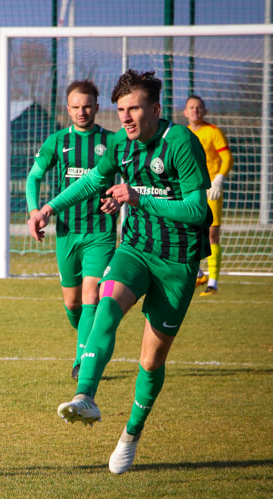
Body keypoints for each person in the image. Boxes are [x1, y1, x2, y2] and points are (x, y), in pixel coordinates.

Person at [28, 70, 211, 474]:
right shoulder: (119, 145)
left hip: (178, 262)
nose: (125, 117)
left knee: (150, 361)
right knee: (105, 304)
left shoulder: (179, 142)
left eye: (134, 108)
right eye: (120, 110)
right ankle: (85, 395)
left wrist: (139, 195)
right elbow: (93, 181)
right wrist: (48, 209)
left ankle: (130, 434)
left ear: (155, 109)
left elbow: (198, 210)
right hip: (136, 249)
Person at [25, 79, 117, 381]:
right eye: (76, 107)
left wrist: (116, 200)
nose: (82, 112)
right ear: (68, 109)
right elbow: (34, 177)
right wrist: (34, 210)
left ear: (97, 107)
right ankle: (86, 340)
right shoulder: (57, 141)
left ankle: (82, 360)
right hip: (67, 232)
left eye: (87, 106)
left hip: (100, 231)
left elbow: (128, 181)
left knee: (93, 293)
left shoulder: (112, 142)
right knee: (73, 303)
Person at [183, 94, 233, 296]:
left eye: (199, 107)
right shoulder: (182, 134)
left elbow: (226, 156)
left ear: (205, 111)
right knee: (185, 231)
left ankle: (213, 282)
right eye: (191, 107)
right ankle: (198, 273)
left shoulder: (213, 132)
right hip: (189, 190)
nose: (195, 111)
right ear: (185, 112)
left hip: (211, 190)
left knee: (212, 233)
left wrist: (219, 178)